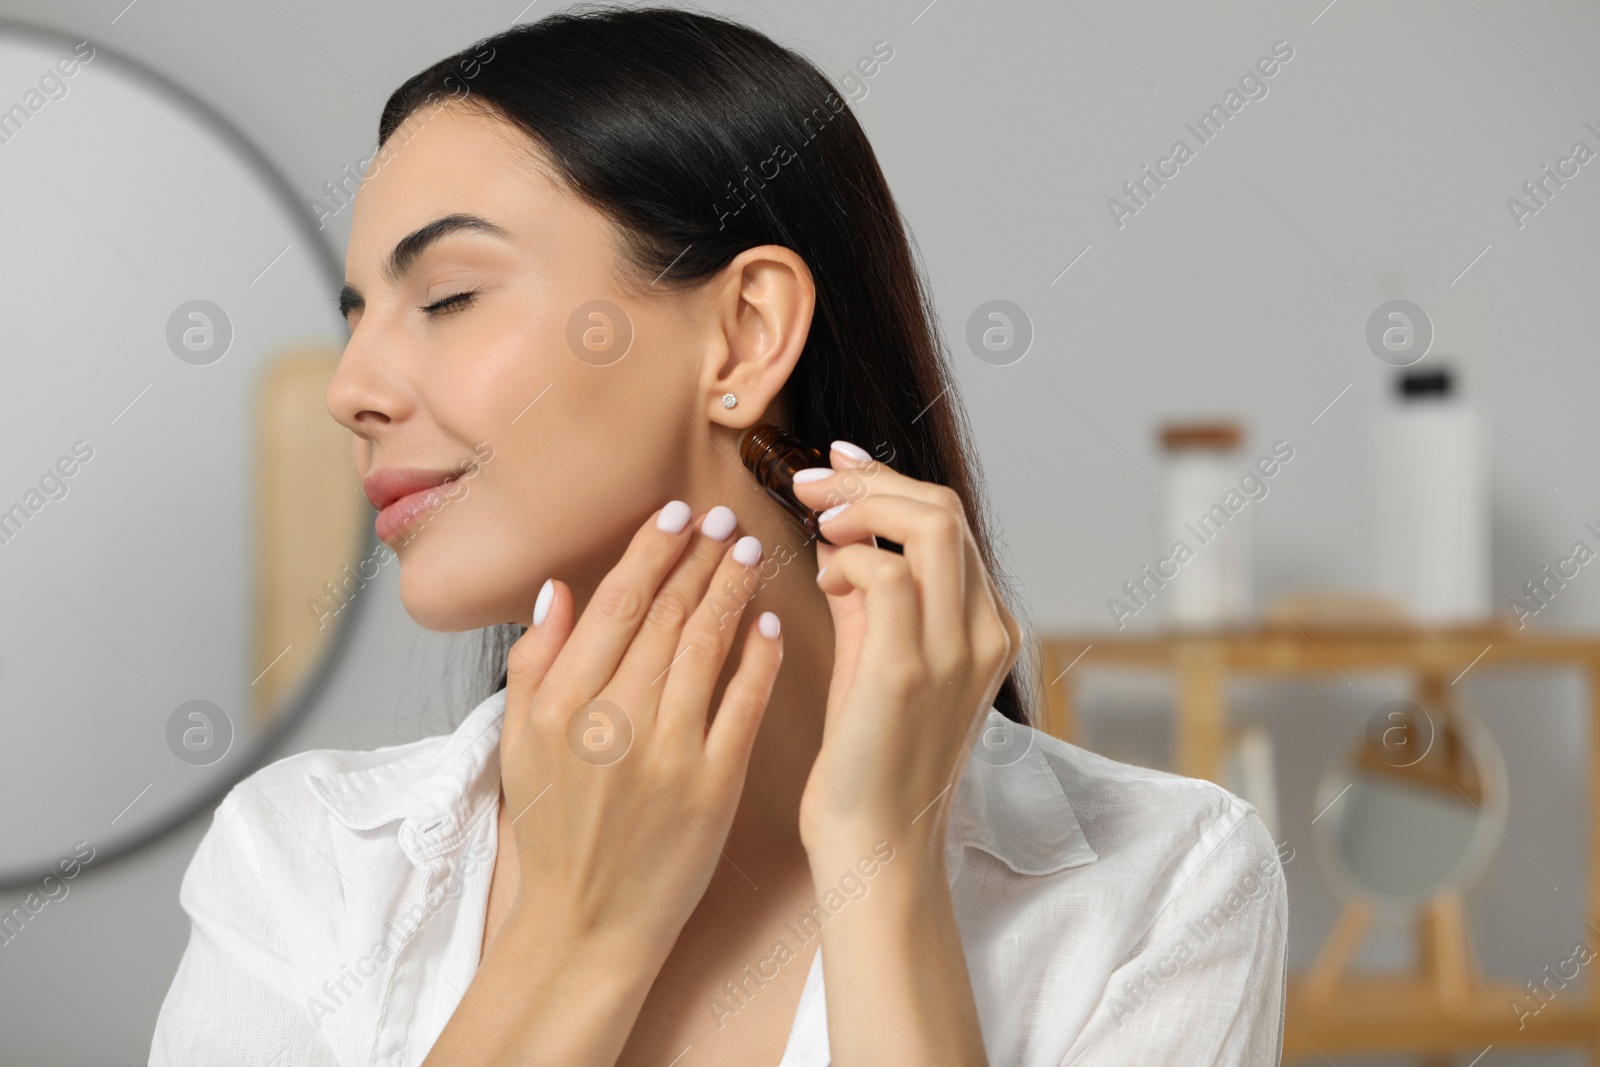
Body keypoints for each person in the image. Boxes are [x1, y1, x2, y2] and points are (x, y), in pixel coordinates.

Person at [150, 6, 1287, 1064]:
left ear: (744, 336)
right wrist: (579, 934)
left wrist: (881, 861)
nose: (351, 387)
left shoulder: (1165, 882)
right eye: (355, 323)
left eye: (446, 296)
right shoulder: (305, 864)